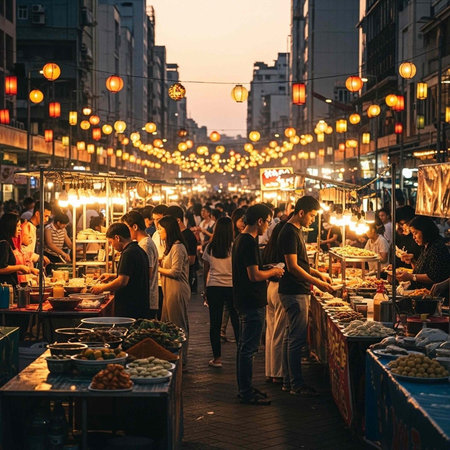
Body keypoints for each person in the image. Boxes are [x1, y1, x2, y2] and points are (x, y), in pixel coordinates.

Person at [278, 196, 333, 397]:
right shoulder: (290, 232)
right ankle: (296, 384)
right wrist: (317, 283)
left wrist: (318, 273)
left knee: (289, 336)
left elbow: (301, 263)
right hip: (294, 291)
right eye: (311, 215)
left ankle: (288, 381)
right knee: (296, 339)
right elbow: (293, 267)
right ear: (301, 213)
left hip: (294, 290)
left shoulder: (296, 231)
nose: (312, 220)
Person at [232, 204, 284, 405]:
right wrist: (273, 272)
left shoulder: (240, 239)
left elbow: (253, 269)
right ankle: (245, 391)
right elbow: (253, 275)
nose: (269, 225)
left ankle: (245, 387)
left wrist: (267, 267)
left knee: (244, 347)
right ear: (260, 221)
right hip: (251, 300)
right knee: (249, 349)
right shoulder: (248, 242)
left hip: (244, 299)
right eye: (268, 221)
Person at [91, 223, 150, 318]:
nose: (112, 246)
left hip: (130, 307)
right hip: (140, 305)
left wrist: (101, 288)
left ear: (117, 238)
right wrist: (112, 276)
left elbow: (122, 281)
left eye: (111, 242)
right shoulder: (138, 250)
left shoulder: (128, 253)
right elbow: (133, 275)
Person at [203, 216, 239, 368]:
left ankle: (217, 358)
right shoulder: (235, 247)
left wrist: (205, 290)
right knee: (237, 322)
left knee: (215, 324)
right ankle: (240, 354)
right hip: (232, 287)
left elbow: (206, 270)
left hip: (214, 287)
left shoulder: (210, 247)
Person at [158, 215, 191, 363]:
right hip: (168, 290)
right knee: (167, 323)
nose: (158, 232)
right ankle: (171, 356)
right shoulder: (170, 247)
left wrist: (158, 269)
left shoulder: (178, 247)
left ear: (168, 230)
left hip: (177, 290)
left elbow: (176, 272)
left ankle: (181, 358)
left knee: (178, 324)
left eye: (160, 229)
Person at [263, 220, 287, 384]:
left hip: (270, 289)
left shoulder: (270, 248)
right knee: (279, 332)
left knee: (271, 331)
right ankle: (278, 373)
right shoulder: (284, 249)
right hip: (280, 291)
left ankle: (271, 371)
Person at [122, 211, 159, 318]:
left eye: (126, 228)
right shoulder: (143, 243)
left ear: (135, 227)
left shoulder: (145, 244)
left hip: (147, 299)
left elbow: (148, 273)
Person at [397, 215, 450, 289]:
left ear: (425, 231)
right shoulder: (425, 246)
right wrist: (412, 261)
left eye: (415, 233)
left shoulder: (437, 247)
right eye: (412, 234)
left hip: (431, 294)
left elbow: (433, 277)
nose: (413, 237)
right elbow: (421, 272)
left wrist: (411, 277)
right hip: (420, 292)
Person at [167, 205, 198, 292]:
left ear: (178, 220)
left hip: (184, 278)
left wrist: (175, 261)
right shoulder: (174, 235)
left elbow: (192, 260)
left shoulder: (188, 236)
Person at [0, 213, 37, 286]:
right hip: (4, 288)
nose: (20, 229)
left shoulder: (8, 241)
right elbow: (2, 268)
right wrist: (20, 267)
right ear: (10, 226)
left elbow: (11, 268)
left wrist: (29, 270)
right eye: (17, 226)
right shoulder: (4, 244)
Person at [21, 201, 52, 266]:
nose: (47, 219)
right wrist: (39, 257)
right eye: (46, 216)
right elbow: (24, 251)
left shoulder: (33, 227)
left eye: (48, 217)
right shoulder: (28, 227)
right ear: (37, 213)